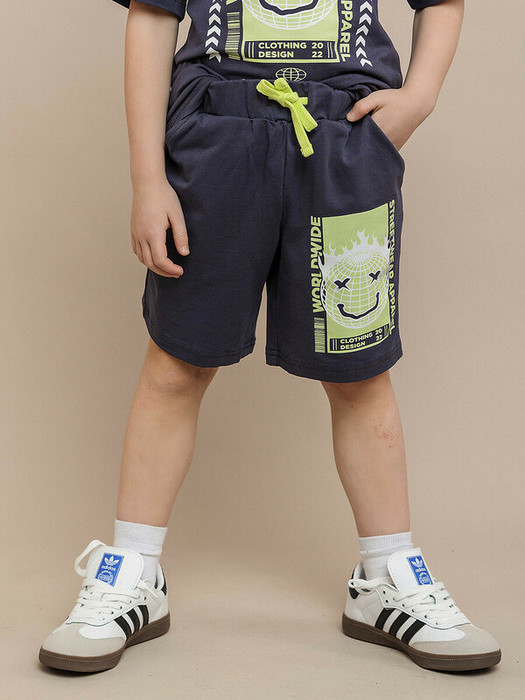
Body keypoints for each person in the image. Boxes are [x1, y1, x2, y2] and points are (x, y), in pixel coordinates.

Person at [39, 0, 501, 674]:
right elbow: (150, 17)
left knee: (357, 372)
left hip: (343, 144)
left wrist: (420, 94)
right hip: (213, 143)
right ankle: (132, 571)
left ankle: (386, 575)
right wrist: (147, 178)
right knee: (175, 366)